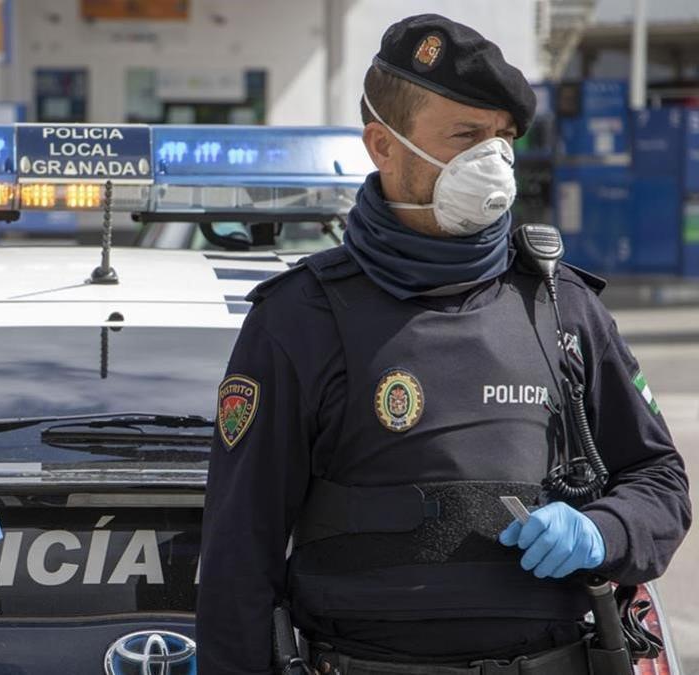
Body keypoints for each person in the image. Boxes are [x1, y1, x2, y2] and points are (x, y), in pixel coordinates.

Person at [197, 14, 691, 675]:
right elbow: (238, 557)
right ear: (384, 144)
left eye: (503, 138)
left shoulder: (561, 305)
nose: (491, 160)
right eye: (465, 137)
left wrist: (601, 530)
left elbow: (661, 483)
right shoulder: (301, 319)